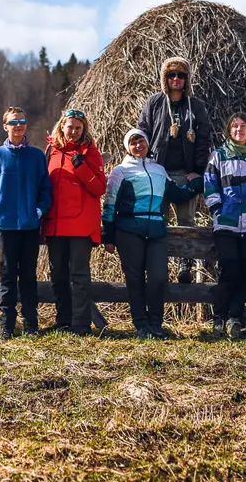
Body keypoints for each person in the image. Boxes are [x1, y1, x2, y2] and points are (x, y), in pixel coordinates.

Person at [103, 129, 203, 339]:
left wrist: (197, 182)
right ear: (127, 147)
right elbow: (110, 205)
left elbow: (176, 194)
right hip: (129, 229)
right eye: (133, 142)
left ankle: (156, 324)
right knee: (135, 278)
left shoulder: (159, 170)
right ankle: (141, 325)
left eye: (141, 141)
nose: (138, 146)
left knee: (158, 277)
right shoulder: (120, 171)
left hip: (156, 229)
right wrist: (109, 236)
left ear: (148, 144)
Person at [137, 57, 212, 283]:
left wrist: (198, 170)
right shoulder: (155, 103)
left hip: (184, 172)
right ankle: (156, 262)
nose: (176, 79)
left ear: (186, 79)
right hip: (159, 171)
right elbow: (143, 131)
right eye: (171, 75)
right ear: (165, 79)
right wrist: (146, 164)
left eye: (181, 75)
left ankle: (184, 262)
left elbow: (203, 139)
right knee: (156, 218)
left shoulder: (196, 106)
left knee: (186, 220)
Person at [0, 106, 53, 340]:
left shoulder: (36, 156)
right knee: (8, 276)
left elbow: (46, 189)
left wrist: (39, 210)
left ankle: (31, 325)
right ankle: (6, 326)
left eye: (22, 121)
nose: (18, 125)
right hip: (5, 226)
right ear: (5, 126)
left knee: (29, 277)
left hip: (30, 226)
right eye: (13, 122)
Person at [43, 108, 107, 336]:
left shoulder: (90, 152)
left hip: (81, 225)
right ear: (62, 126)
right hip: (55, 223)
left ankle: (81, 324)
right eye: (70, 127)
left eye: (78, 128)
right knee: (58, 274)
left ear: (84, 130)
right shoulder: (51, 150)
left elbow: (99, 188)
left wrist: (82, 168)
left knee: (79, 276)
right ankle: (63, 321)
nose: (73, 131)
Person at [204, 112, 246, 339]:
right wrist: (217, 210)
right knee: (229, 265)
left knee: (244, 270)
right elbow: (210, 184)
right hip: (227, 221)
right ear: (229, 130)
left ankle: (235, 317)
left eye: (243, 126)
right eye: (234, 126)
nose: (239, 129)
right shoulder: (219, 155)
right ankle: (219, 317)